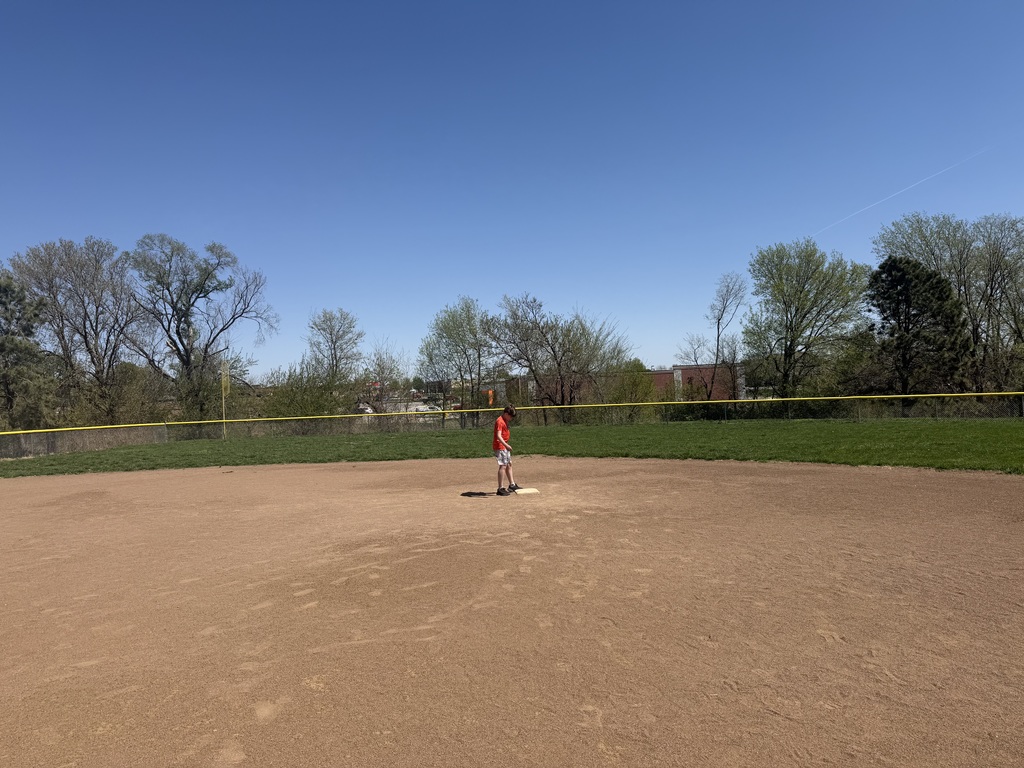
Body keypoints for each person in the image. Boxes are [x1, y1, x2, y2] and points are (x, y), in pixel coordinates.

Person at [493, 404, 521, 496]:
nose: (511, 419)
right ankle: (500, 488)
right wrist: (506, 445)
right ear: (506, 413)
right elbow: (498, 436)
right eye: (510, 416)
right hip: (500, 446)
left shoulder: (504, 420)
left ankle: (512, 485)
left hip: (504, 446)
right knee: (503, 466)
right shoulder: (500, 421)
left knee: (509, 464)